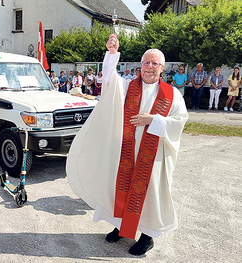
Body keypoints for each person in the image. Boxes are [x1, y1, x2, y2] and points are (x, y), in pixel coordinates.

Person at [66, 34, 188, 256]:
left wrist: (154, 120)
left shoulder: (173, 95)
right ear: (140, 66)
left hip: (154, 158)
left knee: (149, 193)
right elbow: (110, 80)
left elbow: (180, 122)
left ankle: (147, 237)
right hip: (127, 151)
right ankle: (122, 227)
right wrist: (112, 54)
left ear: (162, 68)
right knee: (121, 187)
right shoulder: (127, 87)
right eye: (146, 62)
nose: (149, 67)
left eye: (154, 63)